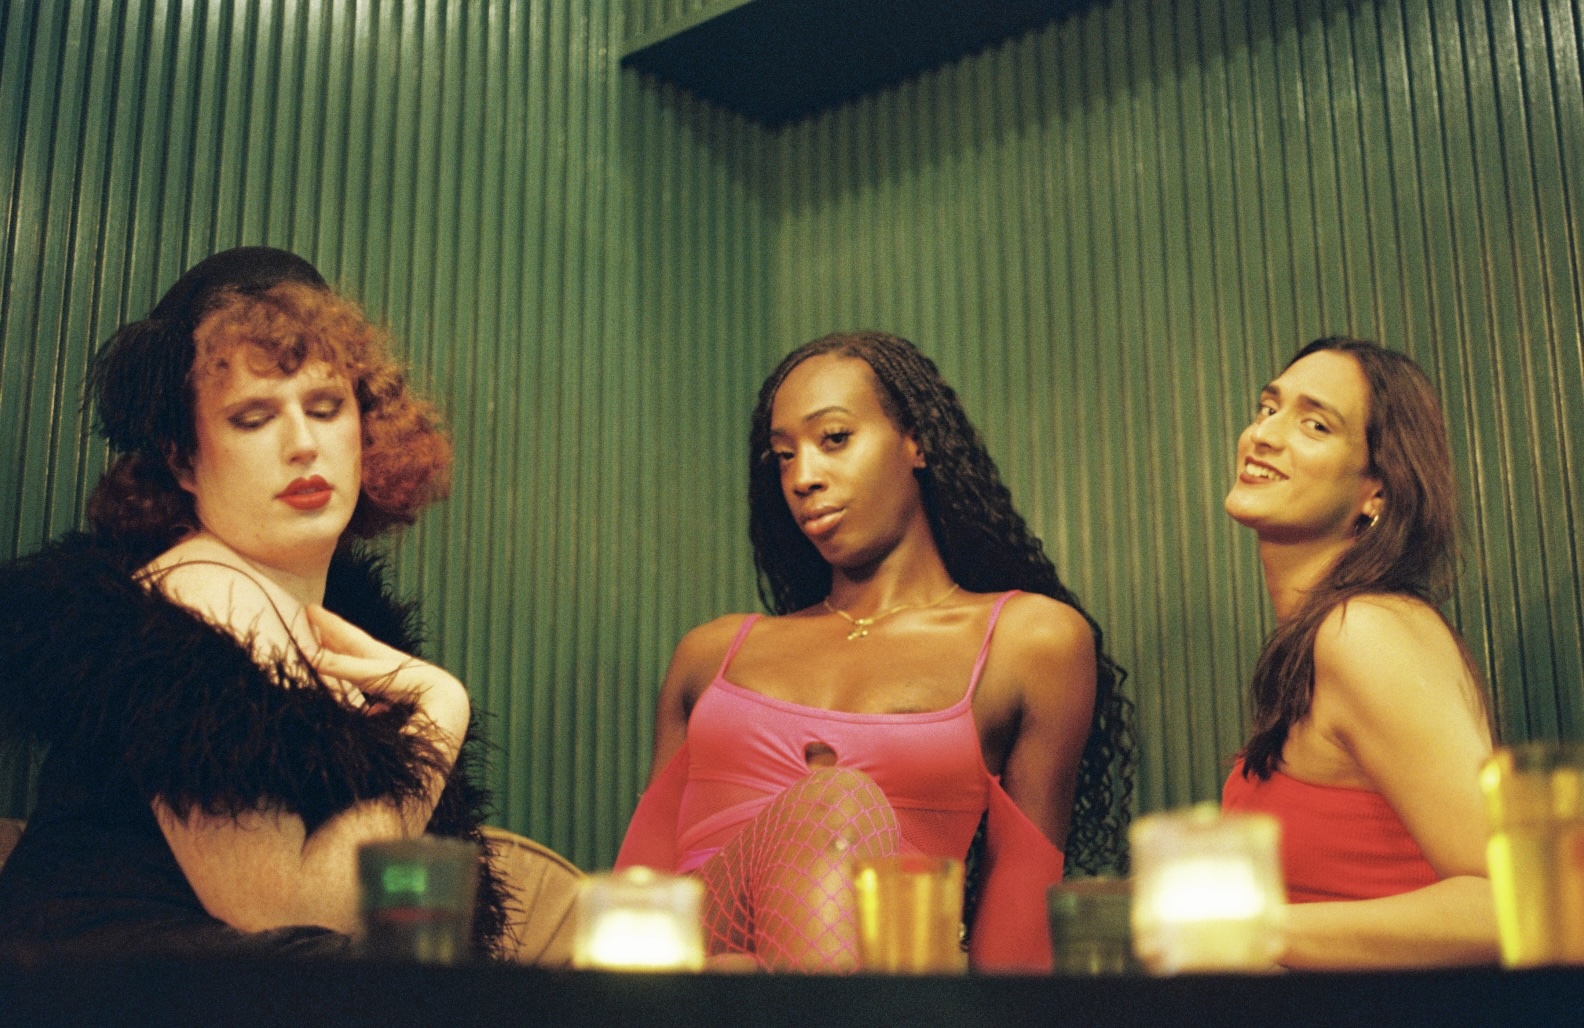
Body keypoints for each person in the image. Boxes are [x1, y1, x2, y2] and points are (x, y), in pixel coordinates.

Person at [0, 247, 508, 957]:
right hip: (107, 983)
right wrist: (441, 708)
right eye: (252, 418)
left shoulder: (299, 611)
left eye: (326, 408)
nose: (303, 444)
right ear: (183, 458)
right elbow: (290, 915)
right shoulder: (203, 594)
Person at [617, 331, 1132, 972]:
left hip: (885, 973)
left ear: (917, 440)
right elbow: (641, 883)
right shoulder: (712, 652)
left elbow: (1018, 904)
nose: (803, 477)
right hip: (693, 965)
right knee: (831, 803)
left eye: (834, 438)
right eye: (783, 456)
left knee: (822, 838)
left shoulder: (1030, 641)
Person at [1220, 336, 1498, 968]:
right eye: (1269, 408)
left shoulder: (1364, 632)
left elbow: (1508, 901)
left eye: (1315, 424)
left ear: (1377, 491)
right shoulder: (1323, 636)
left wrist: (1241, 929)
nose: (1264, 435)